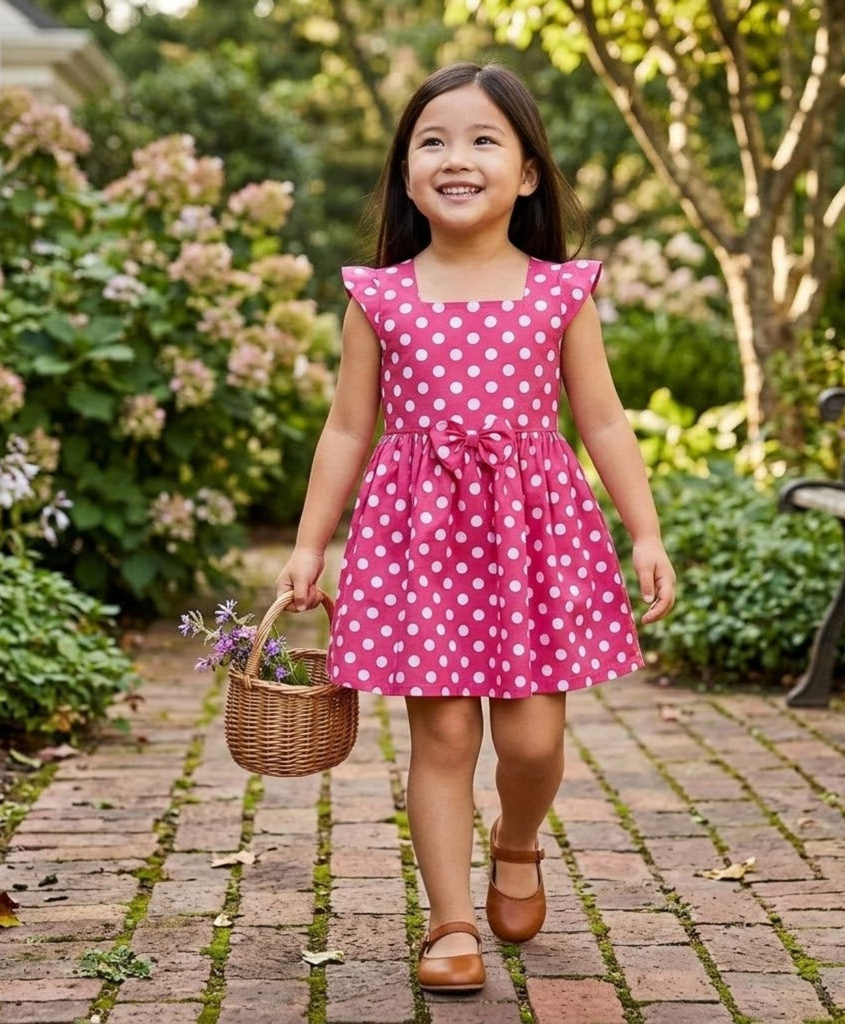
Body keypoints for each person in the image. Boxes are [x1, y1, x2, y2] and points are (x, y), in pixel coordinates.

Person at [276, 62, 676, 993]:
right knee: (444, 740)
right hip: (422, 546)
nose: (458, 157)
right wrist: (309, 544)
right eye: (433, 141)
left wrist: (645, 532)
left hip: (536, 541)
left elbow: (604, 419)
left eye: (485, 139)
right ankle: (450, 922)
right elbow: (347, 428)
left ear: (528, 173)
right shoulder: (379, 297)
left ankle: (519, 838)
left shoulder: (558, 292)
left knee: (532, 744)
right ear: (407, 174)